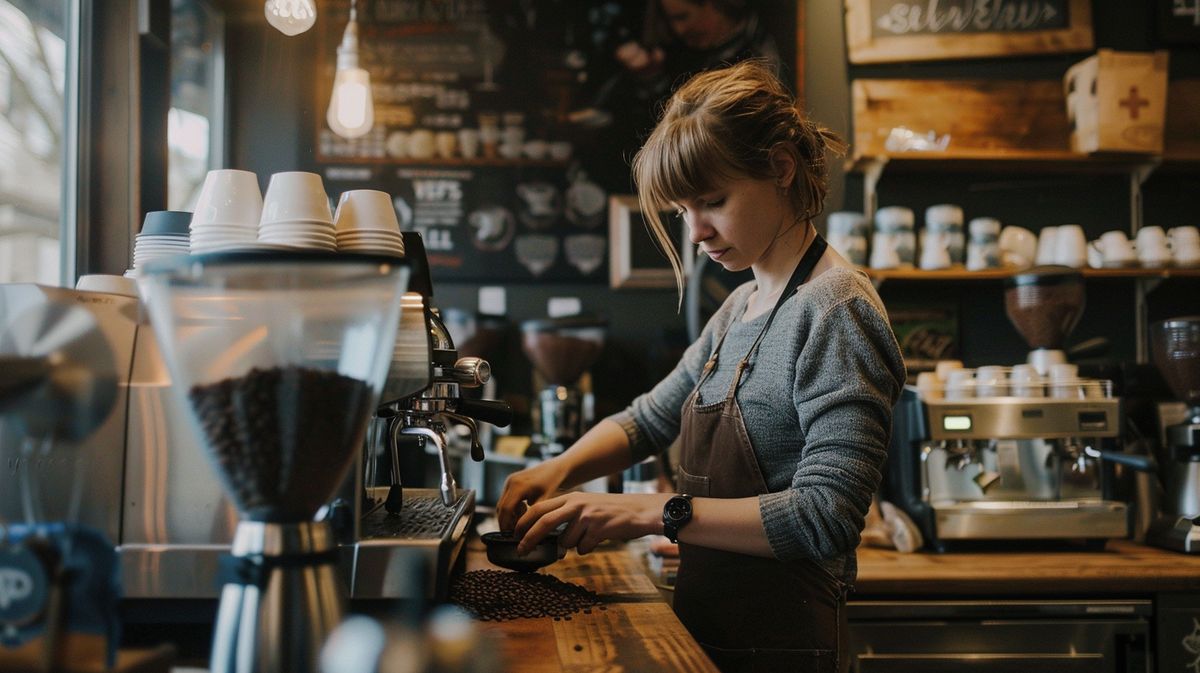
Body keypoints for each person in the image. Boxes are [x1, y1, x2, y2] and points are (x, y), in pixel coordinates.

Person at [497, 60, 906, 673]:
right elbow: (649, 419)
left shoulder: (836, 309)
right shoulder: (742, 304)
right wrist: (557, 470)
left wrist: (645, 513)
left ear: (780, 169)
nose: (696, 231)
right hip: (709, 640)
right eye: (683, 208)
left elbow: (827, 517)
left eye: (713, 201)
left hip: (785, 649)